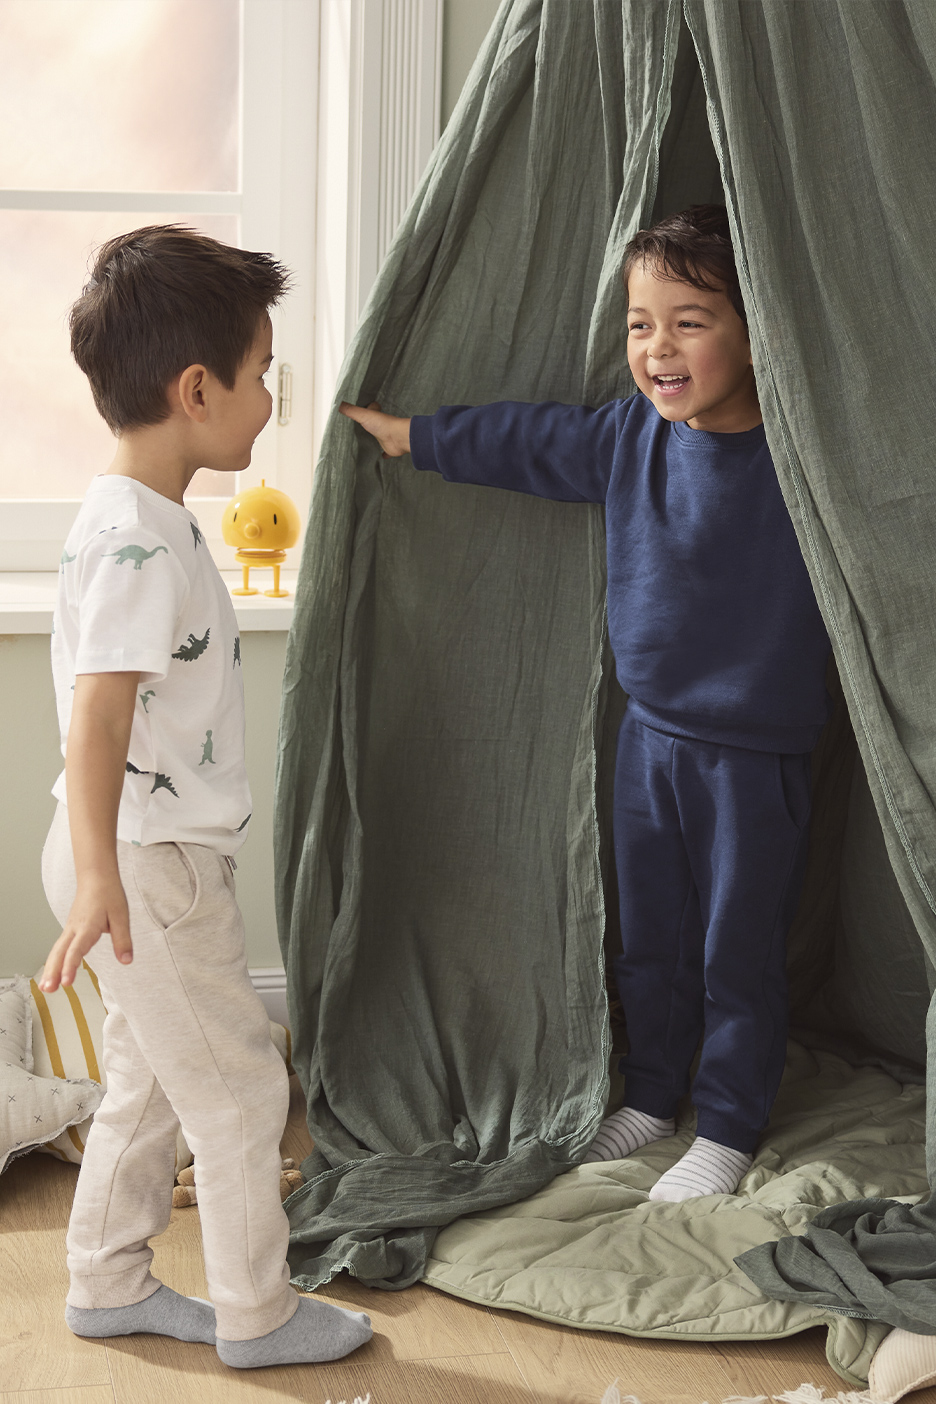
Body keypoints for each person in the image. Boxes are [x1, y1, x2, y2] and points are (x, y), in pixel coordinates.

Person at [339, 205, 830, 1202]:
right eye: (640, 324)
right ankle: (652, 1095)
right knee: (648, 937)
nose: (657, 347)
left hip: (758, 754)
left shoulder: (806, 459)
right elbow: (525, 442)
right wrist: (412, 438)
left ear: (755, 327)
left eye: (688, 321)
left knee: (736, 950)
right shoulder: (628, 438)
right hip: (651, 742)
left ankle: (728, 1126)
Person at [39, 226, 372, 1367]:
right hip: (148, 864)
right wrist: (99, 873)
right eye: (264, 370)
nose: (271, 392)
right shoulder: (140, 542)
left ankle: (108, 1280)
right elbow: (100, 711)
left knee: (147, 1075)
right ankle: (258, 1314)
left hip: (139, 850)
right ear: (197, 389)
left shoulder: (138, 521)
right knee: (237, 1088)